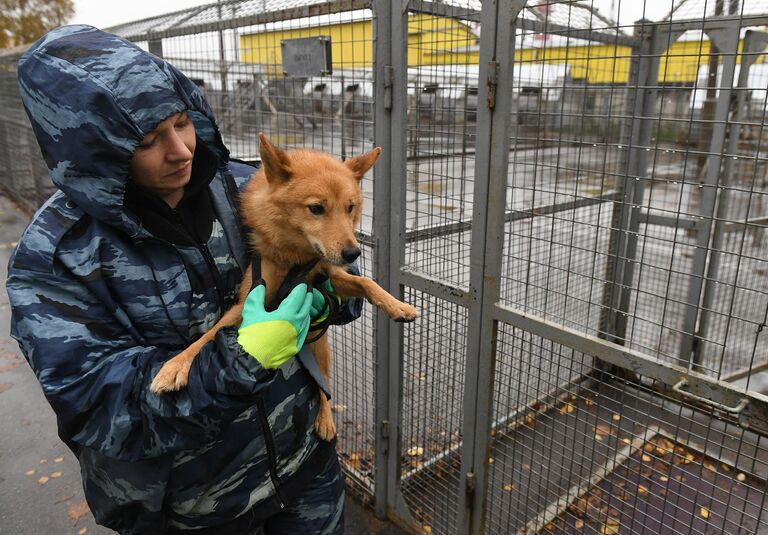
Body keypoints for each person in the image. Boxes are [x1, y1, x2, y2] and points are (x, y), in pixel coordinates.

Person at [6, 25, 361, 535]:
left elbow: (337, 267)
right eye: (148, 140)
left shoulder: (244, 187)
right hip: (190, 510)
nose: (181, 150)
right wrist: (241, 358)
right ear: (92, 151)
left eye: (181, 123)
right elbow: (98, 404)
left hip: (304, 465)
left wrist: (322, 304)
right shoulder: (58, 258)